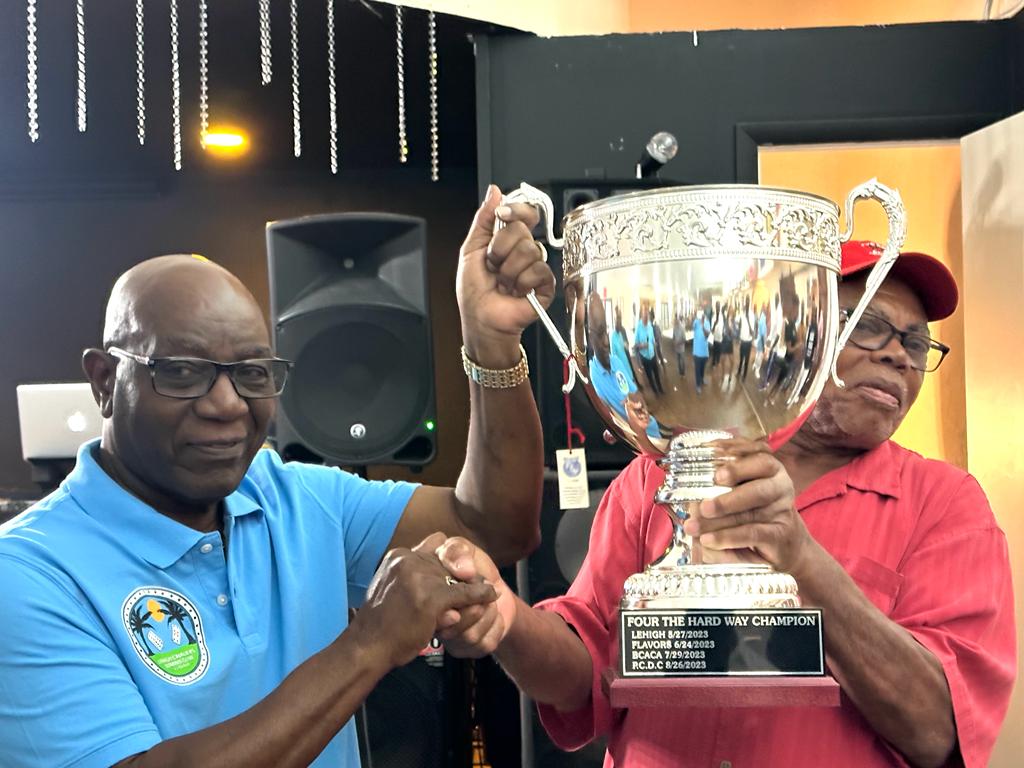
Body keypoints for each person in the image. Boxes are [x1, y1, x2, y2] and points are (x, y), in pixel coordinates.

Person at [0, 186, 554, 768]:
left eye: (251, 372)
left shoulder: (292, 496)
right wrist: (368, 645)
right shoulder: (27, 575)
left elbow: (492, 525)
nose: (227, 404)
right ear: (105, 381)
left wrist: (492, 344)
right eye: (182, 371)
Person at [433, 240, 1016, 767]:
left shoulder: (946, 505)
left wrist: (801, 560)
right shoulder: (660, 475)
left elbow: (938, 732)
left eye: (915, 342)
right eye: (867, 325)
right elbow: (587, 671)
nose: (898, 356)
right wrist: (506, 619)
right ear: (795, 331)